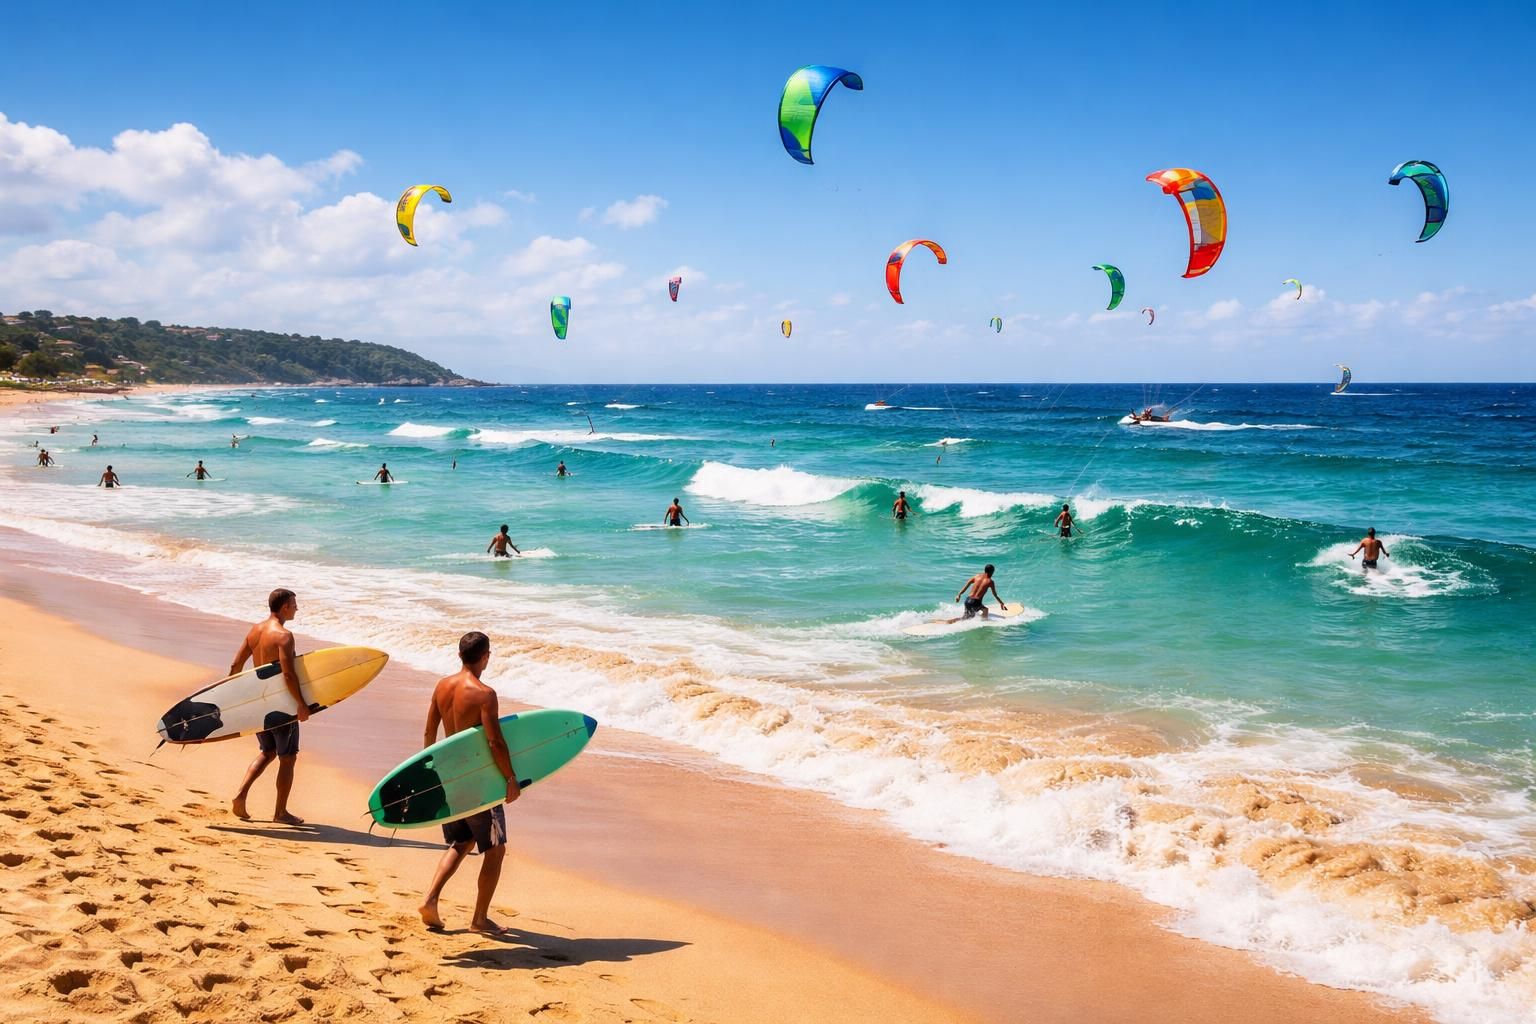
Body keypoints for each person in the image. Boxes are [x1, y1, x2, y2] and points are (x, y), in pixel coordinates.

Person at [418, 631, 520, 934]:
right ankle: (479, 919)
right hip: (478, 782)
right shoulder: (484, 694)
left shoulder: (442, 686)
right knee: (496, 849)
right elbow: (494, 742)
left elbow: (428, 733)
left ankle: (431, 899)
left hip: (449, 777)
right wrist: (510, 778)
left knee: (461, 841)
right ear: (485, 656)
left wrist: (430, 772)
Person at [230, 588, 309, 825]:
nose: (297, 608)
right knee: (288, 757)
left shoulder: (255, 631)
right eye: (294, 604)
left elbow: (236, 665)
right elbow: (288, 675)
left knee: (268, 751)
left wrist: (237, 698)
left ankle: (240, 794)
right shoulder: (284, 636)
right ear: (284, 606)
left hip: (259, 703)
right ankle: (280, 813)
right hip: (281, 705)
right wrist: (301, 704)